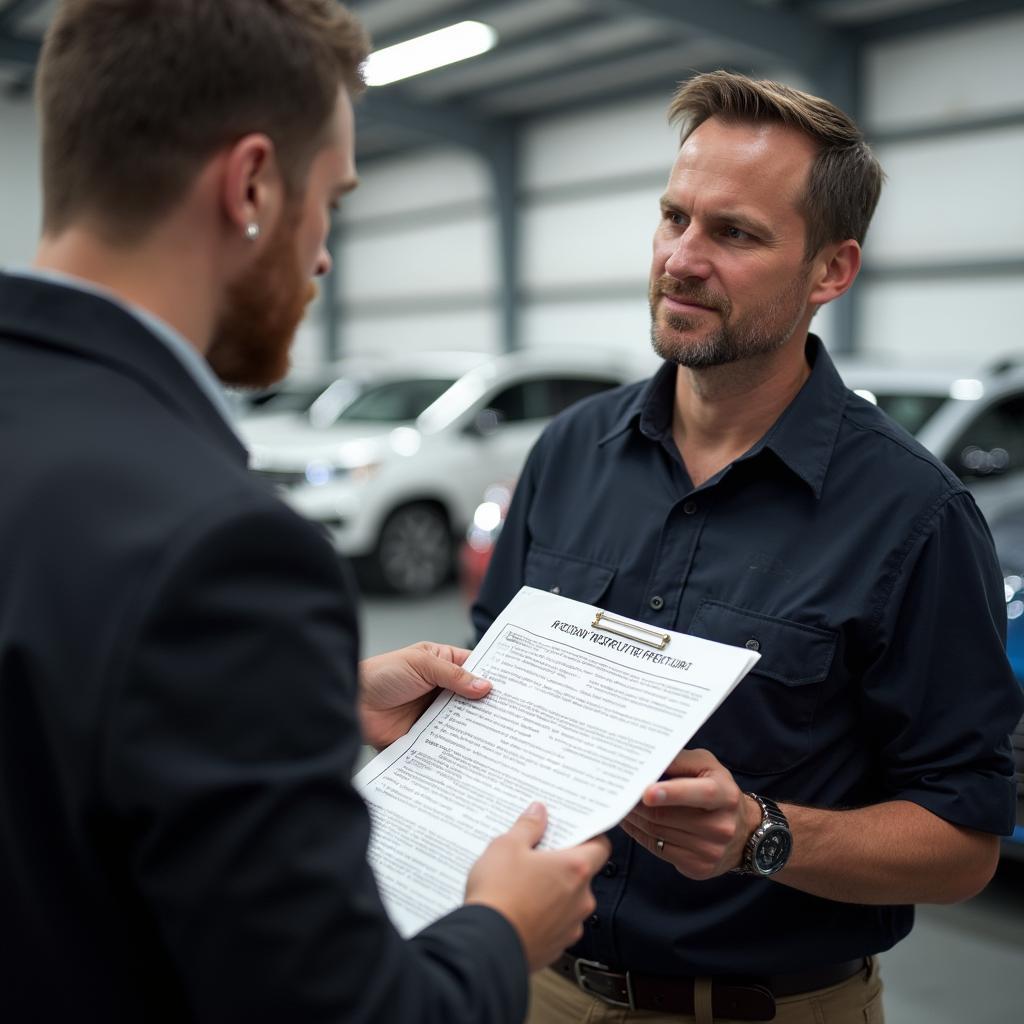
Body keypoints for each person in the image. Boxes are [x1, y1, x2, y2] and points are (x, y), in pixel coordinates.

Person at [0, 2, 610, 1022]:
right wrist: (501, 931)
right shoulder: (226, 548)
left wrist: (310, 688)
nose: (323, 256)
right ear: (251, 186)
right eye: (331, 199)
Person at [473, 71, 1024, 1024]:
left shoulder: (913, 517)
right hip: (539, 984)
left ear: (830, 272)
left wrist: (761, 835)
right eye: (674, 217)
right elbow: (494, 687)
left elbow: (965, 838)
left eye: (734, 233)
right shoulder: (569, 451)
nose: (681, 260)